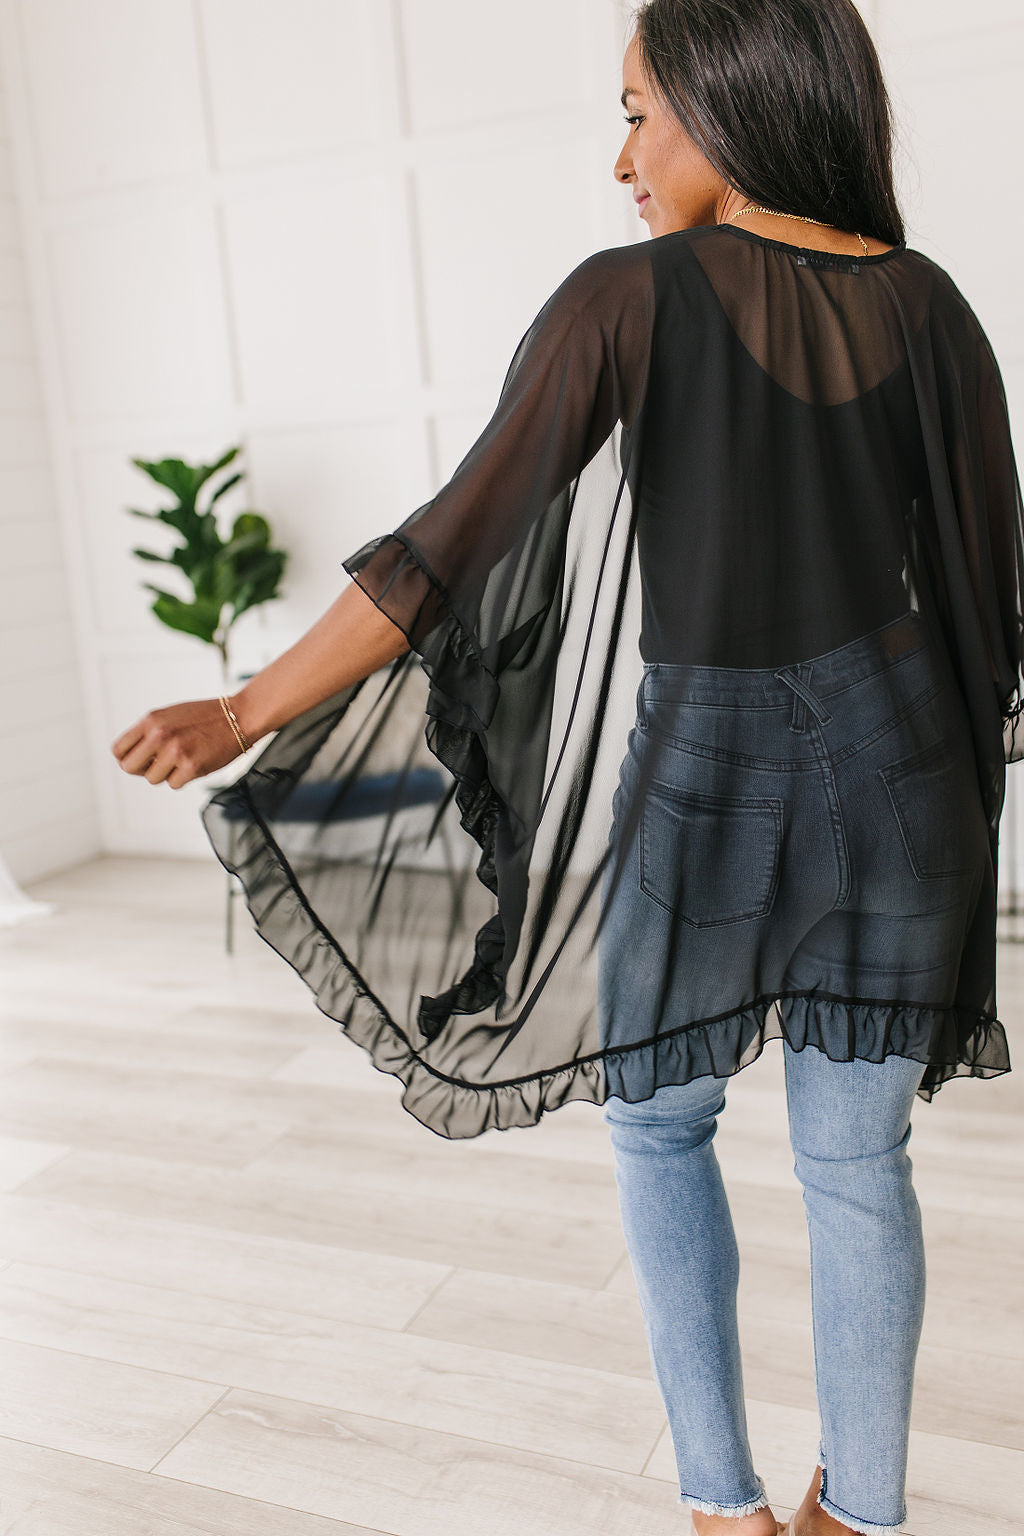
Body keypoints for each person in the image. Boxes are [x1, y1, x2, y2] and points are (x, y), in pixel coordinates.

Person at [111, 2, 1024, 1533]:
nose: (622, 159)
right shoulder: (932, 307)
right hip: (904, 776)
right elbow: (992, 610)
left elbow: (447, 549)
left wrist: (248, 706)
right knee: (860, 1166)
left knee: (660, 1124)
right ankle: (862, 1516)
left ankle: (723, 1510)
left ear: (727, 100)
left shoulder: (630, 297)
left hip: (715, 773)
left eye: (636, 114)